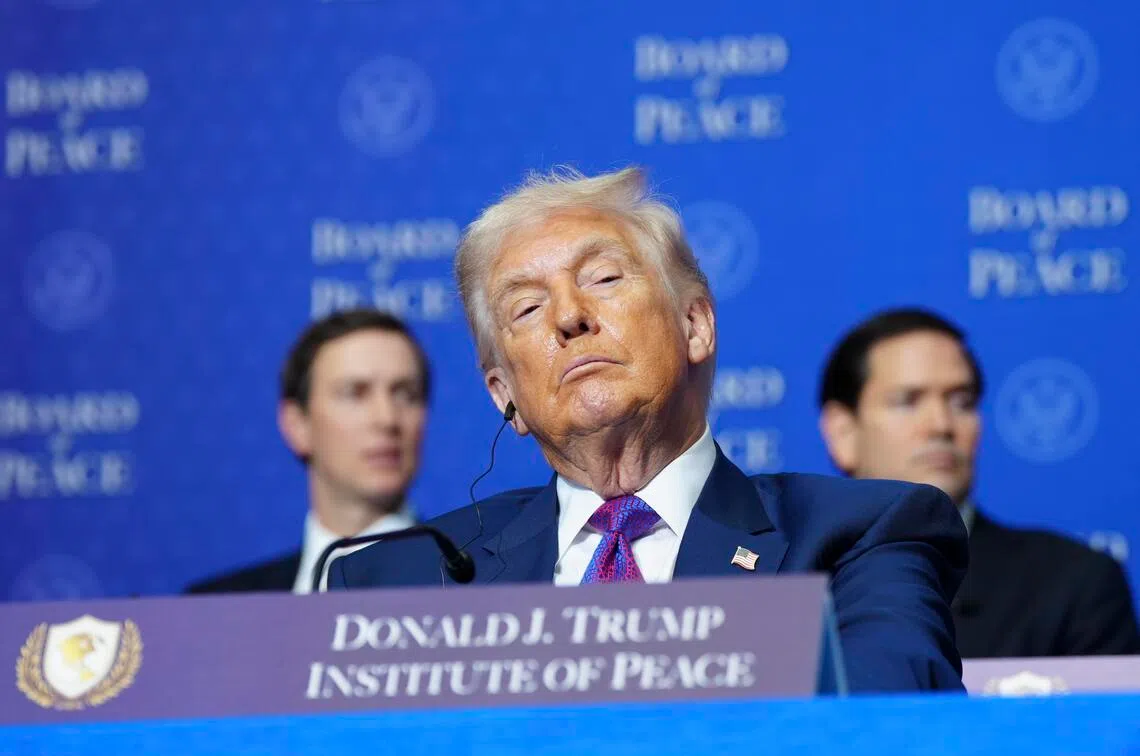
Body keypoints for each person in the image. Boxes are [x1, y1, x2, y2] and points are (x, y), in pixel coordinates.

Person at [328, 167, 968, 692]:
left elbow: (886, 731)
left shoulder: (856, 539)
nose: (570, 316)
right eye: (526, 307)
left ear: (696, 325)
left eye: (603, 279)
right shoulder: (400, 583)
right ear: (505, 397)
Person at [818, 307, 1140, 658]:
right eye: (908, 402)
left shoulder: (1072, 584)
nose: (941, 424)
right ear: (842, 432)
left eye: (962, 402)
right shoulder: (782, 581)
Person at [187, 308, 430, 594]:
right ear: (297, 424)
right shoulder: (217, 609)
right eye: (355, 393)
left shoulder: (478, 588)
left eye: (406, 394)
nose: (387, 418)